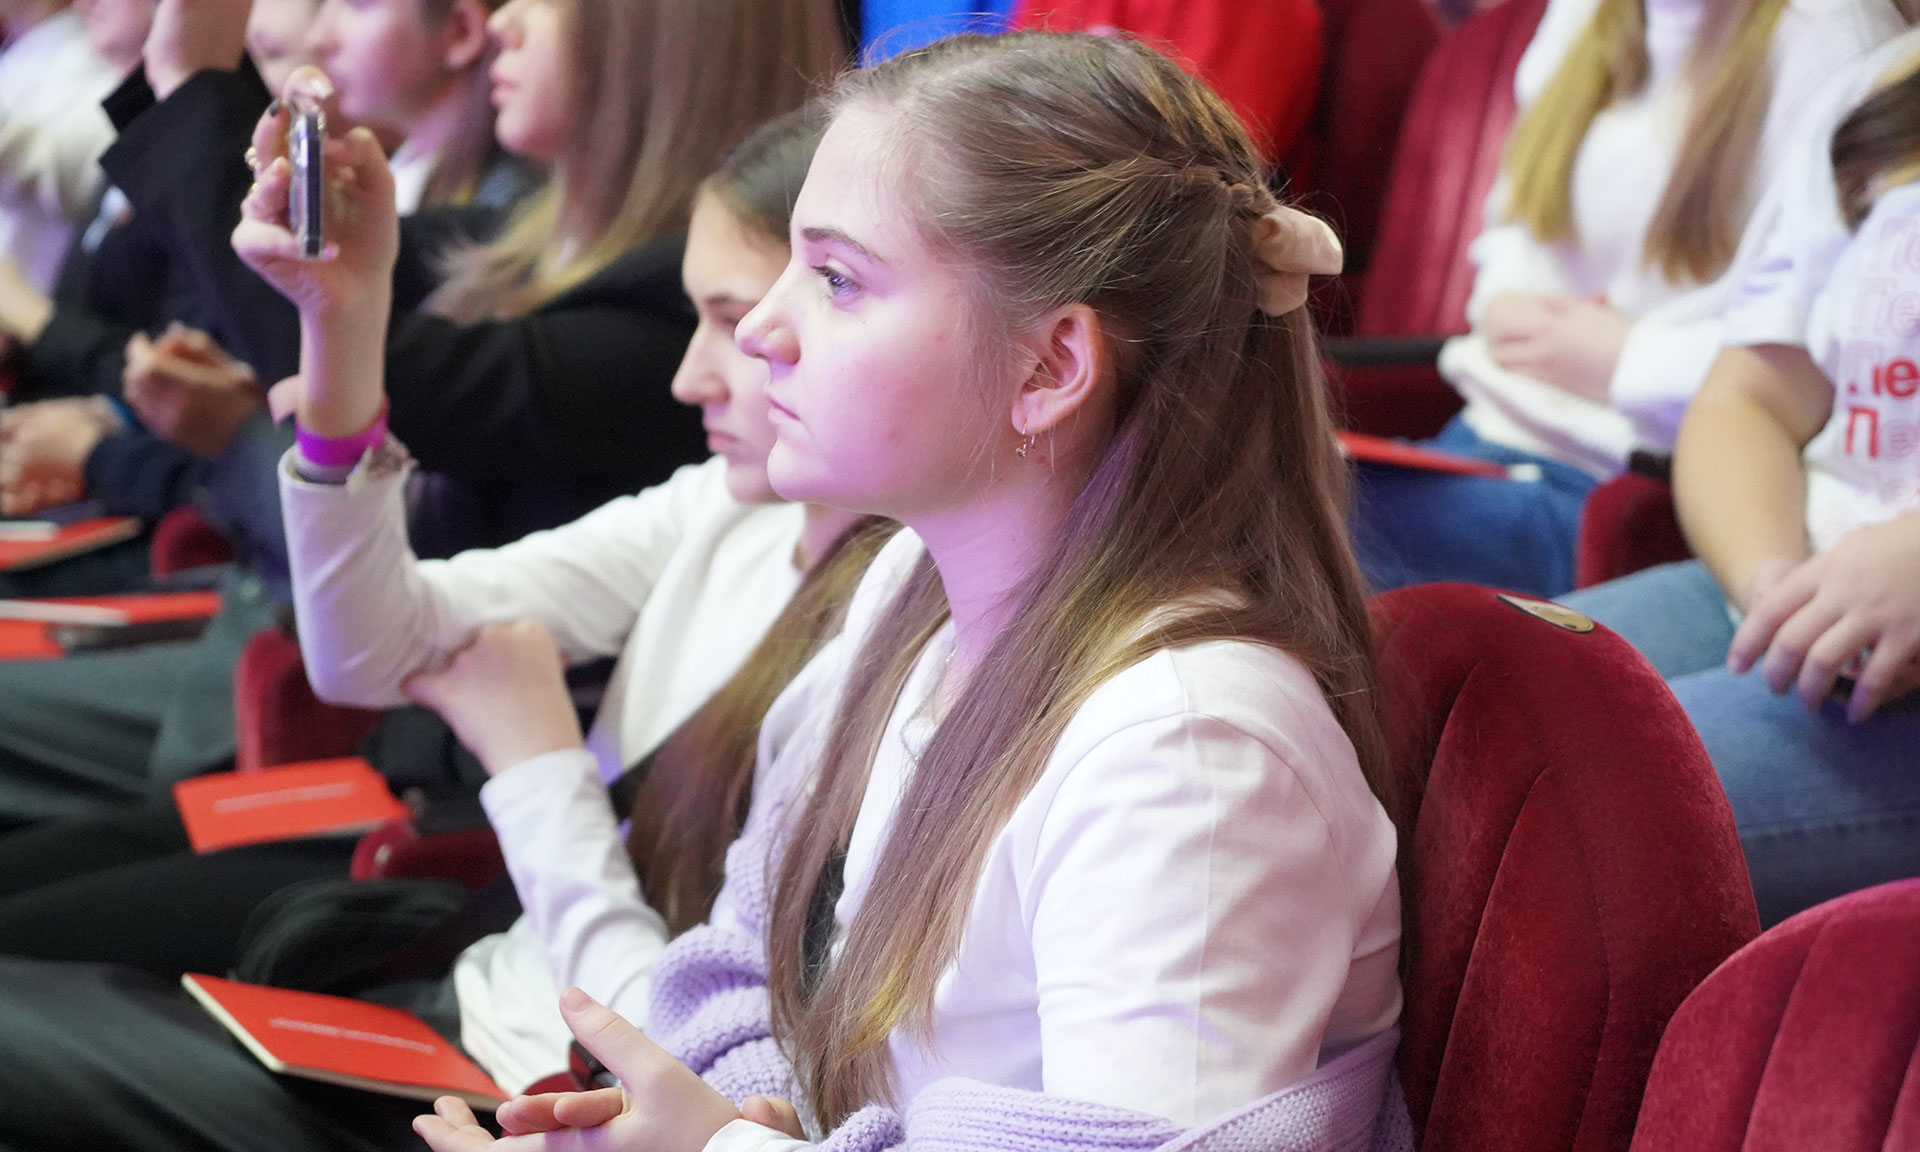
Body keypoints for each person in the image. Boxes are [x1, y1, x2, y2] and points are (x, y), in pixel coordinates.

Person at [407, 31, 1406, 1152]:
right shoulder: (907, 590)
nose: (765, 331)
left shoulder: (1186, 752)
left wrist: (725, 1148)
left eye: (837, 280)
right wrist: (742, 1115)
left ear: (1049, 367)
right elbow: (749, 972)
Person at [0, 107, 897, 1152]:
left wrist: (536, 764)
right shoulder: (728, 511)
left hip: (537, 1088)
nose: (690, 374)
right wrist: (341, 345)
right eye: (706, 319)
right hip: (466, 1002)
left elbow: (699, 1062)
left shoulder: (890, 643)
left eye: (737, 321)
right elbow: (367, 647)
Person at [0, 0, 846, 829]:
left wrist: (194, 78)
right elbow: (298, 283)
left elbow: (395, 379)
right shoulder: (535, 246)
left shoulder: (652, 322)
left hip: (423, 782)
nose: (503, 23)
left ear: (662, 52)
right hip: (355, 708)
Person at [1350, 0, 1903, 599]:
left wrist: (1627, 361)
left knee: (1303, 529)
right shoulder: (1586, 11)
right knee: (1293, 500)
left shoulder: (1834, 40)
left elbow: (1812, 364)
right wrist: (1503, 304)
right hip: (1479, 439)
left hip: (1611, 489)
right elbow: (1512, 224)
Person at [1563, 29, 1920, 926]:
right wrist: (1774, 587)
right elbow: (1746, 401)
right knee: (1448, 707)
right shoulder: (1879, 88)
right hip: (1808, 586)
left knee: (1572, 817)